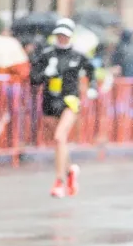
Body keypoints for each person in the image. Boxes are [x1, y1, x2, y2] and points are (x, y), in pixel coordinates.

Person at [30, 18, 98, 198]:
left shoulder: (78, 55)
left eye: (65, 35)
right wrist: (45, 74)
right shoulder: (46, 55)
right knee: (58, 141)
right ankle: (70, 172)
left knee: (60, 137)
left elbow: (92, 71)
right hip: (50, 102)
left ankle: (59, 182)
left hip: (70, 102)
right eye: (59, 35)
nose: (62, 39)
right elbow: (33, 78)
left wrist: (92, 87)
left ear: (70, 36)